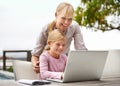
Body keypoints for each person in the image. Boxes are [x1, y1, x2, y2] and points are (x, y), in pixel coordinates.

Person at [31, 2, 87, 73]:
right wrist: (36, 65)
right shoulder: (46, 29)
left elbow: (81, 50)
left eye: (70, 19)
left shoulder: (74, 27)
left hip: (64, 65)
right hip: (49, 65)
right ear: (56, 15)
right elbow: (35, 54)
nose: (66, 22)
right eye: (63, 18)